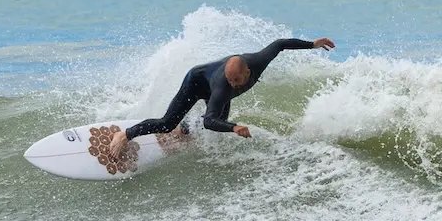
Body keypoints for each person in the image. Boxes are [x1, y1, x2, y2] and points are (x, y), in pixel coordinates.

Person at [108, 37, 335, 159]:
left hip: (214, 85)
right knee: (168, 123)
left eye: (237, 81)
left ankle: (183, 133)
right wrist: (234, 127)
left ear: (247, 71)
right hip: (196, 82)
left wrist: (312, 45)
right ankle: (125, 135)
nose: (234, 85)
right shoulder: (223, 87)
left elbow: (279, 44)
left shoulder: (257, 61)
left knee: (216, 119)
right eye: (230, 81)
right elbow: (209, 120)